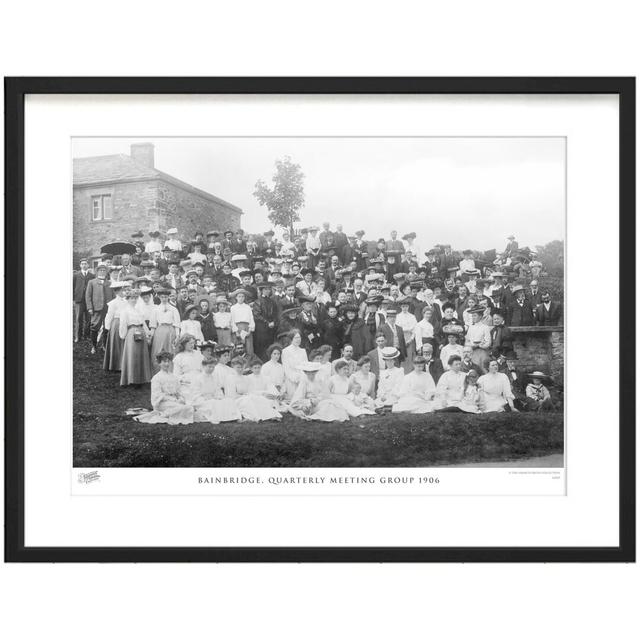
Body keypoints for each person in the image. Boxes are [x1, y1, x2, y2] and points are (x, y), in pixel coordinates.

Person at [134, 352, 195, 425]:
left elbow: (179, 391)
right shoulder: (156, 378)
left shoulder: (174, 377)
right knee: (187, 408)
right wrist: (173, 399)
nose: (167, 364)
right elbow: (157, 395)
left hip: (175, 402)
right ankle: (164, 414)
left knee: (189, 407)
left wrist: (180, 399)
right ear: (159, 363)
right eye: (164, 362)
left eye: (168, 361)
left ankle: (170, 413)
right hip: (163, 403)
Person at [228, 357, 283, 422]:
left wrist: (262, 394)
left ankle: (271, 415)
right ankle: (253, 417)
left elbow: (251, 391)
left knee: (258, 399)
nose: (240, 369)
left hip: (247, 397)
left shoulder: (246, 378)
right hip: (236, 400)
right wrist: (245, 396)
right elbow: (231, 395)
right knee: (248, 400)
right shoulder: (231, 378)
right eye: (238, 367)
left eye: (242, 367)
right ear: (233, 367)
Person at [118, 288, 152, 387]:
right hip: (132, 333)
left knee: (141, 354)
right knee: (133, 355)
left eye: (135, 298)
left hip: (140, 332)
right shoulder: (125, 311)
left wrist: (147, 333)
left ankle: (142, 378)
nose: (133, 300)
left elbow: (143, 323)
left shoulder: (138, 310)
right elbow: (123, 324)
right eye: (131, 298)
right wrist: (123, 335)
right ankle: (132, 378)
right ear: (127, 299)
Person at [148, 288, 181, 371]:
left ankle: (171, 371)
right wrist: (150, 336)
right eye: (162, 297)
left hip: (170, 331)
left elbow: (177, 324)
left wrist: (177, 335)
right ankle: (157, 372)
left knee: (170, 351)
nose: (164, 299)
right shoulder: (155, 309)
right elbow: (153, 325)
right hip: (159, 331)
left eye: (166, 297)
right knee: (158, 351)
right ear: (159, 297)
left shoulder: (173, 309)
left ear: (168, 297)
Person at [85, 263, 113, 354]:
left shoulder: (109, 283)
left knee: (107, 327)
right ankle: (94, 346)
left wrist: (113, 308)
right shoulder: (92, 282)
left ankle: (104, 345)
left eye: (104, 270)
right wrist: (90, 307)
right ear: (97, 272)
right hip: (96, 309)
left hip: (108, 309)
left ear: (106, 272)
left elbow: (113, 296)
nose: (102, 272)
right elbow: (88, 296)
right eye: (100, 270)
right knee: (94, 327)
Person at [103, 280, 129, 372]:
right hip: (117, 323)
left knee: (124, 342)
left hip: (126, 323)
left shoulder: (127, 301)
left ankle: (124, 363)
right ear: (117, 292)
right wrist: (108, 328)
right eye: (122, 291)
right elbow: (109, 315)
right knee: (117, 343)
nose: (124, 292)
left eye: (125, 290)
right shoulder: (113, 303)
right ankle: (116, 364)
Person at [172, 333, 204, 397]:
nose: (192, 345)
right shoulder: (179, 357)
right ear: (184, 344)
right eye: (190, 343)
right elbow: (176, 375)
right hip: (186, 383)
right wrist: (185, 380)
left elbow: (204, 369)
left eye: (193, 343)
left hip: (200, 381)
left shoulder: (198, 354)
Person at [252, 282, 278, 359]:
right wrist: (267, 322)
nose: (267, 291)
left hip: (271, 327)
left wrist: (273, 321)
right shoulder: (258, 301)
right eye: (265, 289)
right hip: (261, 328)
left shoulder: (272, 301)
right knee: (262, 346)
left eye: (269, 289)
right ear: (261, 290)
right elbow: (257, 315)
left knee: (270, 344)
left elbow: (275, 313)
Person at [281, 330, 309, 400]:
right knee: (293, 400)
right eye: (296, 338)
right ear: (291, 339)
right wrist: (295, 378)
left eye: (299, 337)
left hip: (302, 379)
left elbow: (306, 366)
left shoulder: (303, 351)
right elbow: (286, 368)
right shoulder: (286, 351)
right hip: (291, 380)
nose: (298, 339)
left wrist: (302, 378)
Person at [464, 306, 492, 372]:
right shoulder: (471, 327)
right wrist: (470, 345)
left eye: (475, 316)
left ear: (480, 316)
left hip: (482, 352)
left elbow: (488, 342)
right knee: (473, 370)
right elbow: (467, 340)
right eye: (472, 316)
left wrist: (479, 345)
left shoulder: (485, 327)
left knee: (483, 369)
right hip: (472, 351)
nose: (473, 317)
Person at [73, 258, 94, 342]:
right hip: (79, 300)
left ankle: (87, 335)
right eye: (82, 264)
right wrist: (73, 299)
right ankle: (78, 336)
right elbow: (72, 287)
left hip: (88, 300)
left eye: (85, 264)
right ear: (80, 265)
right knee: (78, 319)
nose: (84, 265)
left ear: (88, 265)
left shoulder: (92, 276)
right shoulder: (76, 275)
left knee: (89, 319)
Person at [229, 288, 255, 355]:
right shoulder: (233, 308)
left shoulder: (247, 307)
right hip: (237, 328)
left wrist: (249, 330)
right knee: (238, 347)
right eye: (239, 296)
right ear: (236, 298)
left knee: (248, 347)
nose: (241, 298)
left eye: (242, 296)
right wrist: (236, 332)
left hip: (246, 328)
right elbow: (232, 320)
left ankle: (248, 362)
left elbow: (251, 319)